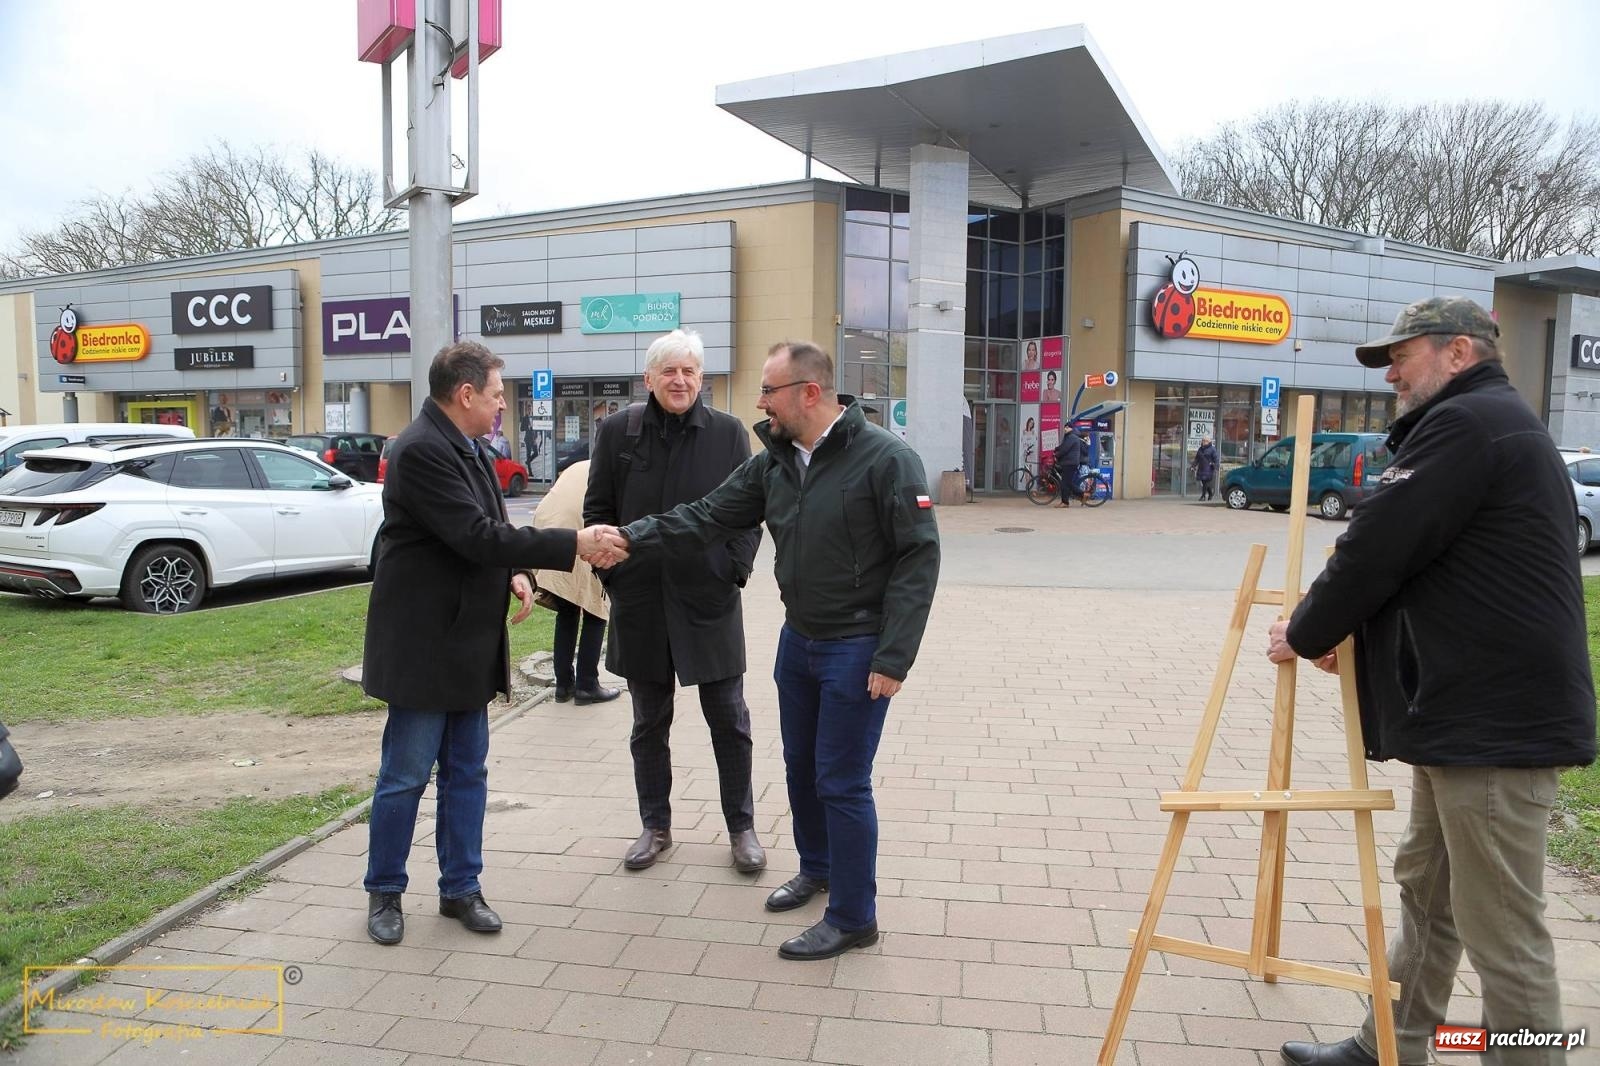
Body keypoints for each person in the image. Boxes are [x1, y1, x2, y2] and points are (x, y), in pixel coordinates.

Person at [1265, 297, 1595, 1066]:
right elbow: (1438, 569)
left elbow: (1379, 545)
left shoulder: (1469, 425)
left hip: (1495, 726)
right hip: (1465, 715)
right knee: (1429, 893)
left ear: (1458, 353)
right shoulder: (1487, 424)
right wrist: (1353, 639)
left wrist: (1309, 629)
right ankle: (1392, 1043)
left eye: (1401, 356)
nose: (1391, 375)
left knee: (1504, 929)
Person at [591, 340, 940, 961]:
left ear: (809, 393)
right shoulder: (776, 461)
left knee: (842, 780)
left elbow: (919, 557)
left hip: (857, 647)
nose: (759, 403)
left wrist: (894, 657)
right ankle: (817, 869)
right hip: (798, 640)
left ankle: (855, 916)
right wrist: (630, 537)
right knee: (802, 767)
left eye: (769, 391)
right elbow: (708, 514)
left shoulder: (886, 459)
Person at [361, 340, 621, 947]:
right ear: (466, 393)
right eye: (499, 395)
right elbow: (473, 535)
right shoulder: (421, 450)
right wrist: (570, 545)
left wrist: (517, 572)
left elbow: (488, 532)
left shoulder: (470, 447)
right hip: (425, 645)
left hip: (469, 641)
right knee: (405, 775)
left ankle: (461, 889)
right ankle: (385, 891)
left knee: (466, 772)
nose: (504, 406)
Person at [584, 330, 766, 874]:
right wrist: (616, 581)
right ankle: (655, 826)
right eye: (669, 371)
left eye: (689, 371)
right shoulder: (618, 431)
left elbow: (748, 513)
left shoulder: (729, 433)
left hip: (707, 601)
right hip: (641, 605)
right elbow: (597, 512)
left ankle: (742, 828)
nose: (680, 380)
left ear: (702, 379)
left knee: (729, 720)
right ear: (648, 379)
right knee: (648, 724)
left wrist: (732, 570)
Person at [530, 460, 619, 706]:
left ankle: (563, 685)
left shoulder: (579, 466)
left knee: (568, 611)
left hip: (551, 536)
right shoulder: (611, 469)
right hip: (580, 535)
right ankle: (587, 685)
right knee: (596, 609)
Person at [1052, 428, 1085, 507]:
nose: (1065, 429)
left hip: (1070, 463)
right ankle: (1081, 495)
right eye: (1065, 427)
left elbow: (1065, 449)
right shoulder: (1069, 436)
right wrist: (1056, 449)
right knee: (1067, 483)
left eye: (1067, 427)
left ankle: (1066, 502)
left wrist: (1056, 455)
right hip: (1069, 462)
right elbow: (1063, 446)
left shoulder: (1072, 437)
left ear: (1071, 428)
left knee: (1065, 483)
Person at [1192, 436, 1219, 501]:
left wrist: (1215, 465)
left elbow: (1216, 459)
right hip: (1201, 467)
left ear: (1209, 442)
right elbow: (1197, 458)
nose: (1203, 442)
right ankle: (1210, 493)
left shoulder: (1212, 449)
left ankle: (1203, 496)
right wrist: (1193, 466)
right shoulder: (1200, 449)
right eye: (1202, 440)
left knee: (1206, 482)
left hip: (1209, 468)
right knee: (1204, 482)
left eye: (1205, 441)